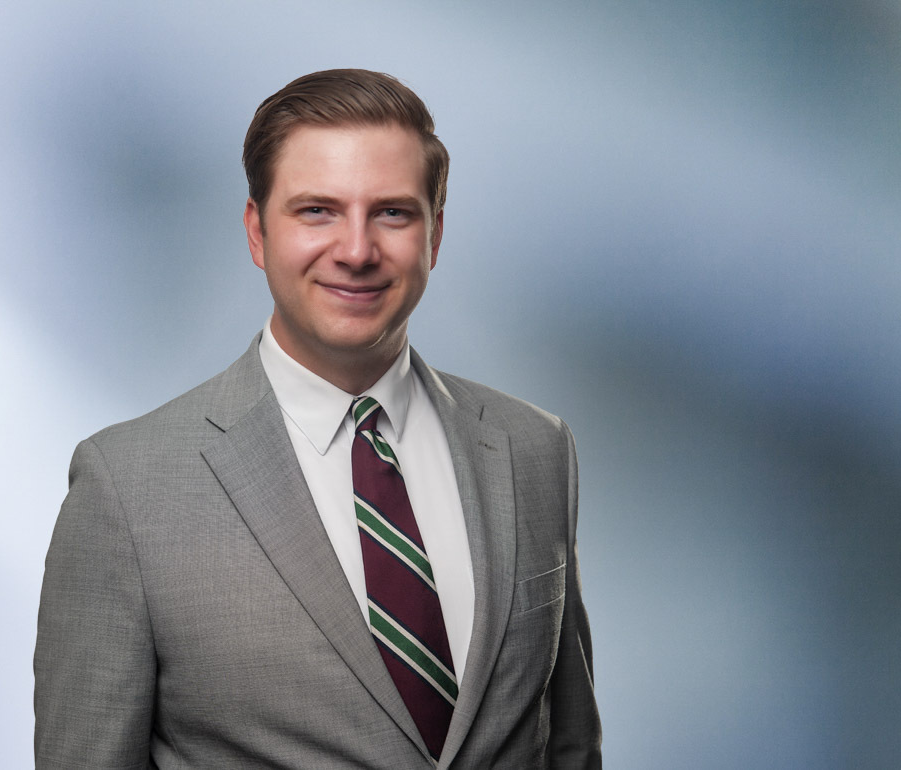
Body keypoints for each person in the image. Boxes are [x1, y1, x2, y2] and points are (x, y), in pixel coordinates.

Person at [35, 68, 600, 769]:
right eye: (317, 212)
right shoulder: (128, 489)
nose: (357, 251)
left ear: (436, 235)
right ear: (256, 232)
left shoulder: (535, 450)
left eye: (392, 212)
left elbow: (571, 747)